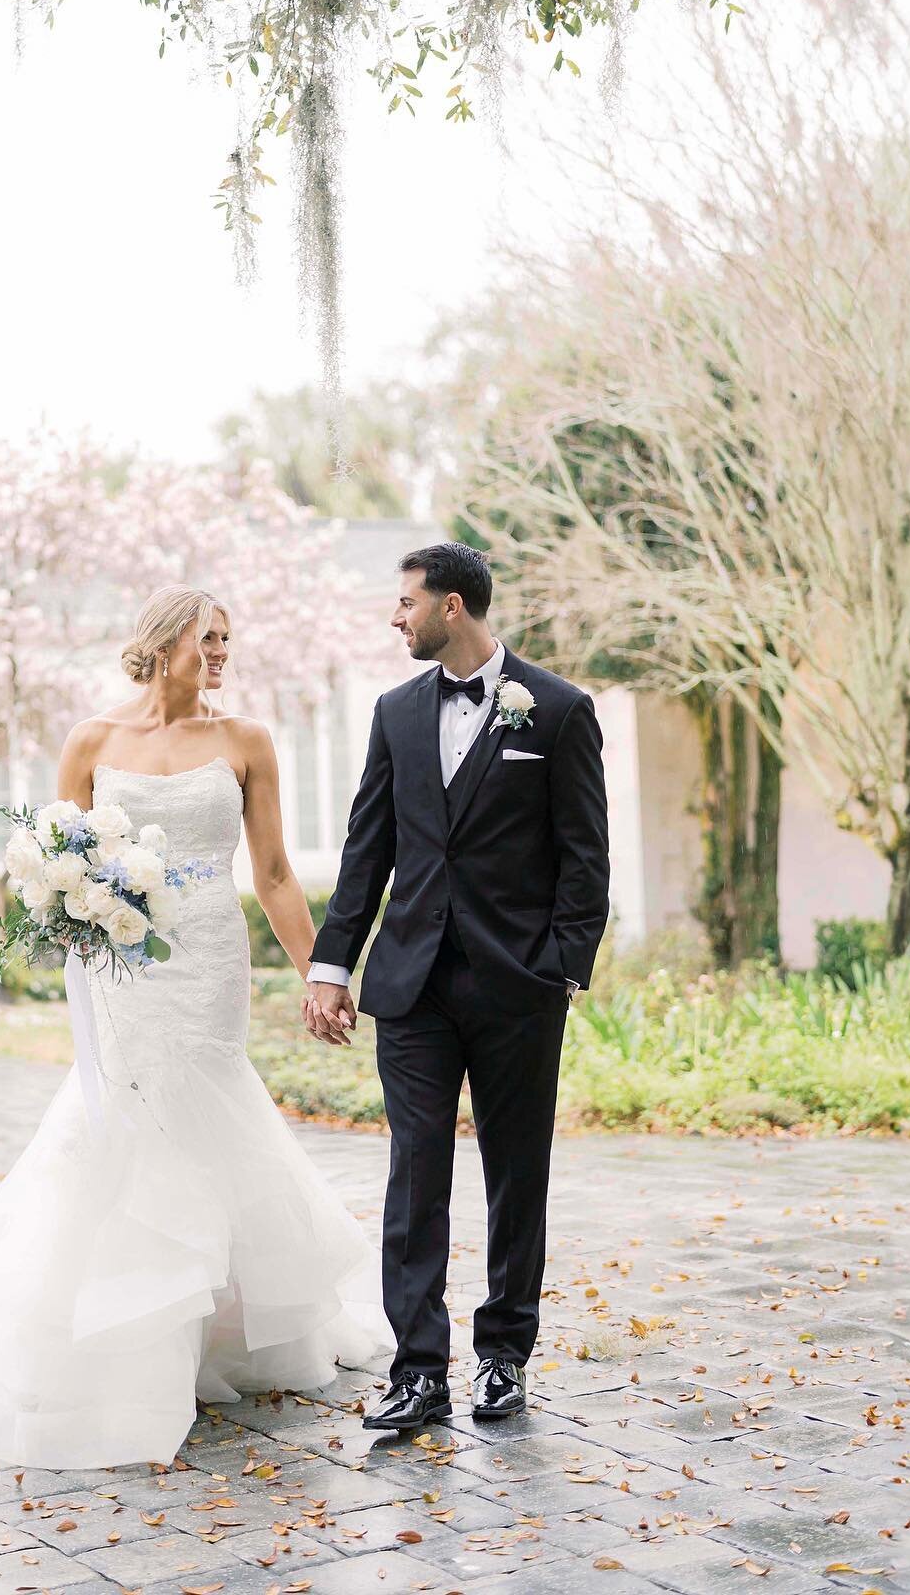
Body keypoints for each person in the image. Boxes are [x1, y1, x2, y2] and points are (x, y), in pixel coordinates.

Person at [0, 584, 390, 1469]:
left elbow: (270, 873)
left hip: (208, 962)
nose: (222, 652)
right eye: (209, 637)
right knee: (122, 1116)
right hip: (121, 968)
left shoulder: (245, 742)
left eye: (229, 638)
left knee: (206, 1112)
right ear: (161, 641)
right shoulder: (93, 741)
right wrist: (74, 912)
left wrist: (321, 973)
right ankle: (129, 1327)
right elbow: (53, 858)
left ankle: (224, 1330)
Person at [305, 542, 610, 1430]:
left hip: (518, 987)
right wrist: (334, 965)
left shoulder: (557, 710)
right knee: (415, 1174)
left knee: (517, 1175)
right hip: (412, 987)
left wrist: (561, 966)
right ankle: (418, 1371)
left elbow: (584, 856)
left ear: (452, 607)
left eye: (406, 602)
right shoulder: (396, 712)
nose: (394, 618)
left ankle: (506, 1358)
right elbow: (369, 848)